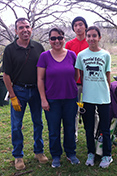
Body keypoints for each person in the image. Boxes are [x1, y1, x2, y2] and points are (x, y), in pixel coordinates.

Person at [2, 18, 48, 170]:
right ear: (16, 31)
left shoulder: (38, 47)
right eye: (21, 27)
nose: (25, 30)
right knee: (16, 126)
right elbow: (6, 75)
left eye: (27, 27)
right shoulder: (9, 49)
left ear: (31, 29)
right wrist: (13, 96)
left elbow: (44, 70)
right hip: (19, 91)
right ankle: (18, 156)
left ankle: (39, 151)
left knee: (38, 123)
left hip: (36, 90)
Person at [37, 27, 80, 168]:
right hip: (52, 100)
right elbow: (40, 79)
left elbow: (76, 75)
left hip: (70, 98)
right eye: (53, 38)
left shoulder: (72, 55)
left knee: (70, 128)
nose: (57, 41)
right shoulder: (44, 56)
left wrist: (68, 86)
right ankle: (56, 155)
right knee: (54, 130)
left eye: (60, 38)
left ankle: (70, 153)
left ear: (64, 39)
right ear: (49, 40)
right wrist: (43, 99)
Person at [75, 26, 113, 168]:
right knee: (88, 128)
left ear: (99, 38)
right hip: (88, 98)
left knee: (105, 128)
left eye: (94, 36)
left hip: (103, 97)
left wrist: (108, 91)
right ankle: (91, 153)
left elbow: (107, 75)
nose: (91, 38)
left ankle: (107, 155)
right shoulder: (81, 55)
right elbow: (80, 75)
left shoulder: (105, 55)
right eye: (89, 36)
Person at [65, 16, 89, 142]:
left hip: (90, 84)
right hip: (74, 84)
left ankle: (93, 134)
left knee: (91, 110)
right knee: (74, 110)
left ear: (85, 26)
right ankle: (73, 136)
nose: (78, 27)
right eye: (75, 25)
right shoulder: (69, 44)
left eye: (80, 24)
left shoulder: (90, 42)